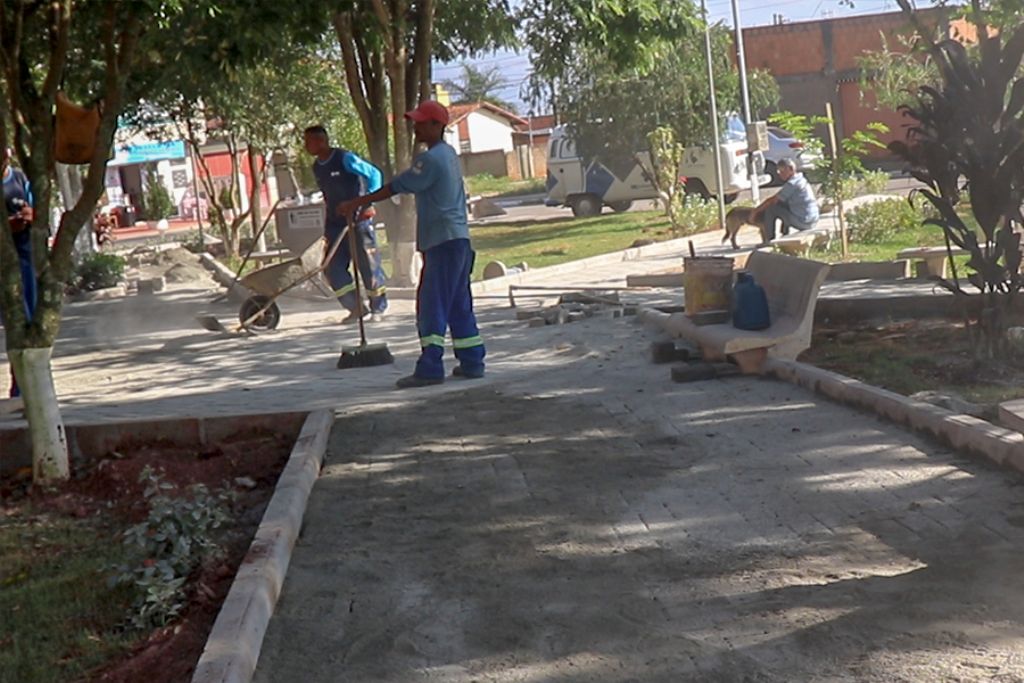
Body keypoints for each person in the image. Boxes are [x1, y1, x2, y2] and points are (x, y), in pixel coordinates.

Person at [338, 100, 485, 389]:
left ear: (436, 125)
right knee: (458, 303)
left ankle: (430, 367)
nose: (415, 127)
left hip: (442, 241)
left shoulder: (429, 160)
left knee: (431, 304)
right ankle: (472, 361)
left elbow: (398, 186)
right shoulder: (449, 154)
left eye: (421, 122)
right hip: (458, 240)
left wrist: (357, 201)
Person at [303, 125, 389, 323]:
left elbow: (374, 175)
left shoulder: (345, 158)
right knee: (332, 267)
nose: (306, 146)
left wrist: (368, 202)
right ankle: (356, 307)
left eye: (309, 142)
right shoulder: (317, 166)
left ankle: (378, 306)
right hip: (335, 222)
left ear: (321, 141)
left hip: (359, 219)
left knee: (367, 263)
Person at [2, 149, 36, 398]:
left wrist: (30, 216)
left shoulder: (21, 180)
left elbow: (38, 213)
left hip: (24, 262)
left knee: (25, 323)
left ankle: (24, 388)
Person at [752, 157, 819, 244]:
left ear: (791, 169)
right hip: (812, 220)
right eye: (778, 172)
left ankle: (769, 240)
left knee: (771, 208)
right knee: (783, 204)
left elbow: (772, 201)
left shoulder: (792, 184)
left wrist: (754, 212)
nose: (780, 174)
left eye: (782, 171)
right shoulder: (801, 179)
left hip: (804, 222)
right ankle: (784, 233)